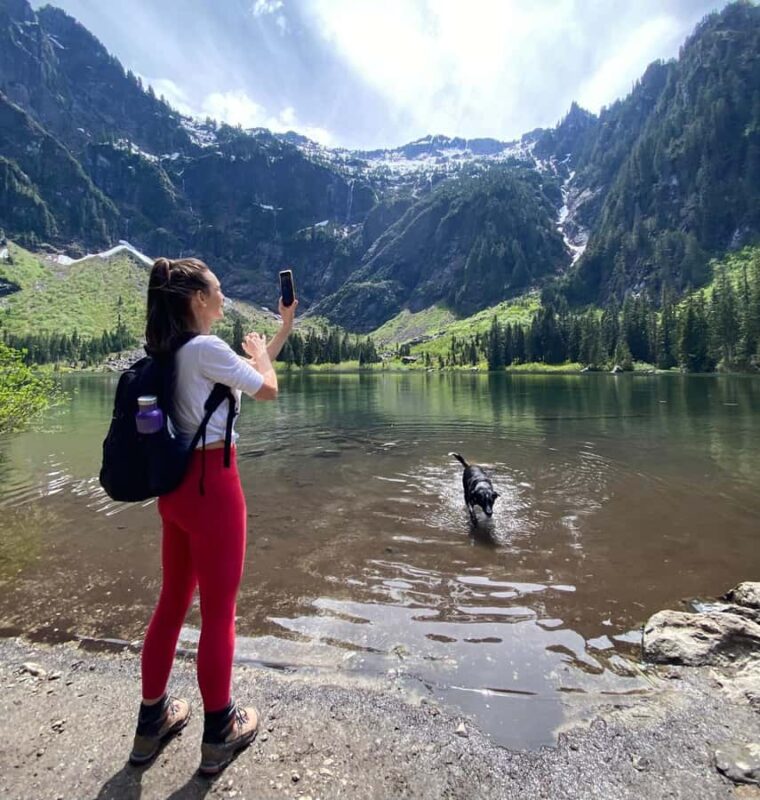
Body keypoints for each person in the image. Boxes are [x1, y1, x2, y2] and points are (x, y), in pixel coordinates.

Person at [128, 257, 297, 775]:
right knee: (219, 613)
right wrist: (263, 360)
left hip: (176, 491)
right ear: (198, 299)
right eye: (218, 290)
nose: (224, 298)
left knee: (173, 602)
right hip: (214, 489)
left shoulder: (174, 348)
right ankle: (219, 731)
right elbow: (266, 388)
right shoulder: (206, 348)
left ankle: (150, 724)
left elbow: (244, 373)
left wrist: (281, 330)